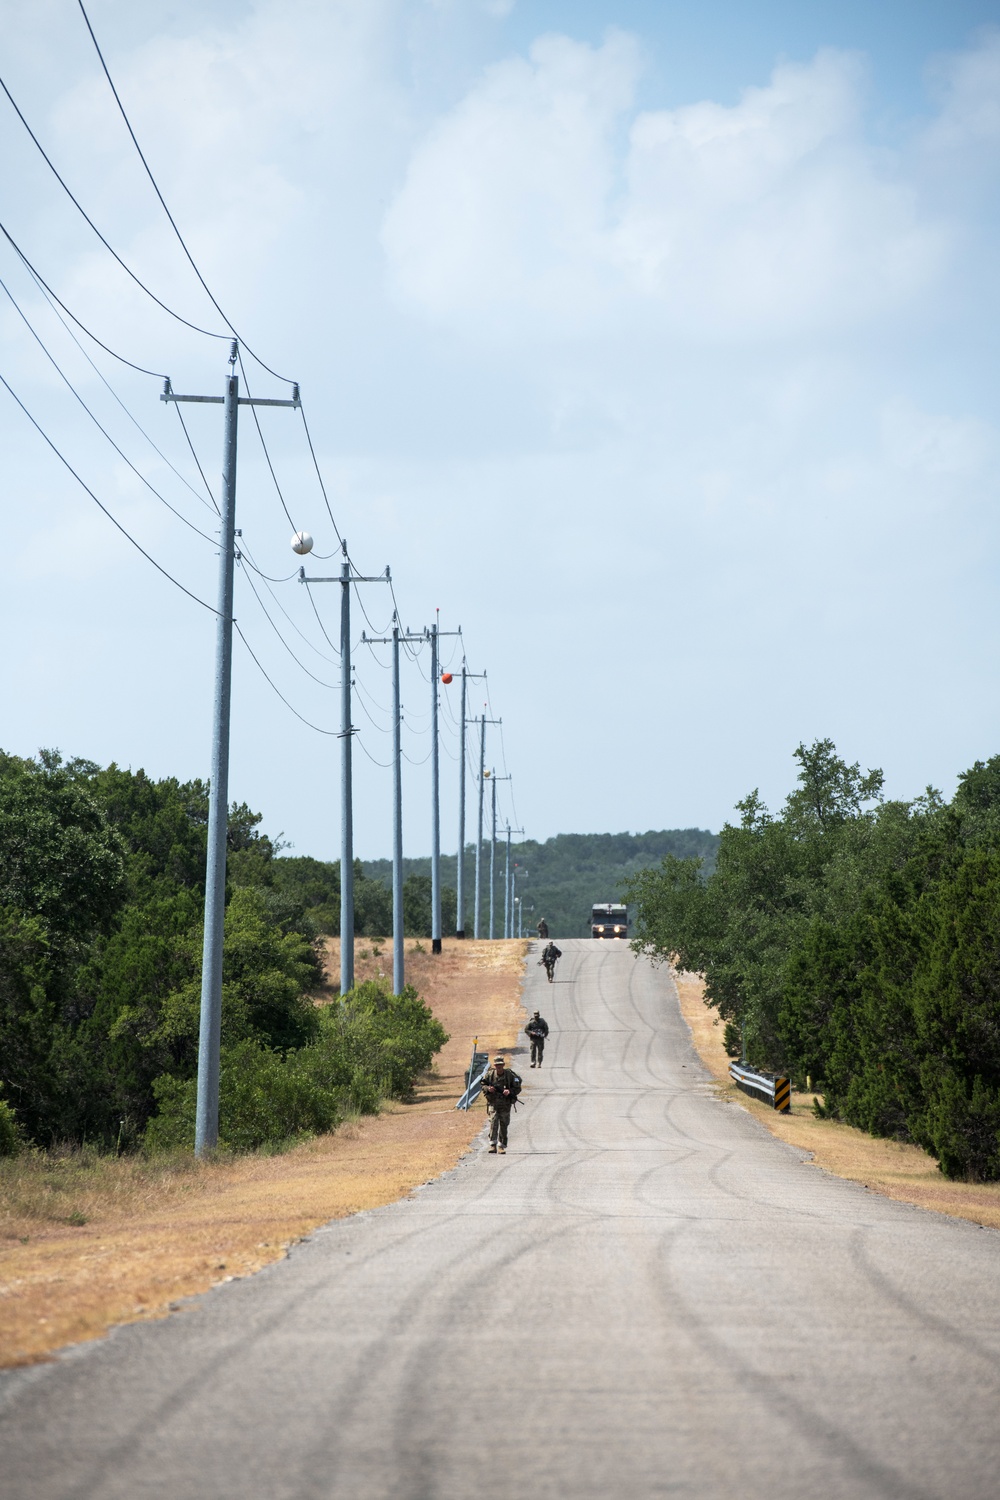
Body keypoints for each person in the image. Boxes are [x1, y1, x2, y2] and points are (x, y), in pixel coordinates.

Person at [481, 1053, 520, 1154]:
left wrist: (510, 1091)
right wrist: (488, 1089)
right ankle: (492, 1145)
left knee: (504, 1124)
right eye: (497, 1065)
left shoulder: (509, 1075)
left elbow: (518, 1087)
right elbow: (483, 1085)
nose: (499, 1067)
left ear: (503, 1065)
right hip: (493, 1103)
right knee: (493, 1123)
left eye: (500, 1065)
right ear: (494, 1066)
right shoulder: (489, 1075)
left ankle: (501, 1145)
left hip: (505, 1104)